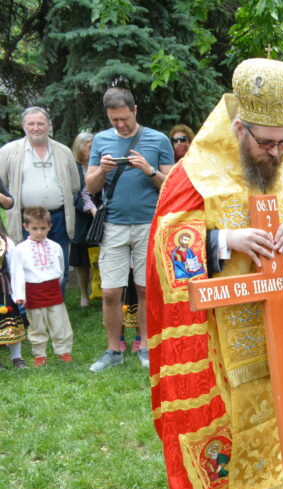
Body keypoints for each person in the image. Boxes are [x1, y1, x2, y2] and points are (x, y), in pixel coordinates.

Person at [146, 57, 283, 489]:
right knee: (223, 405)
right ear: (238, 126)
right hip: (216, 329)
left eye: (280, 142)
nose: (273, 152)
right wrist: (226, 241)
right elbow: (167, 243)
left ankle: (273, 480)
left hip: (274, 319)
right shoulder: (195, 172)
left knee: (272, 397)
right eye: (264, 142)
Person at [85, 87, 174, 372]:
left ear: (135, 110)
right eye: (114, 120)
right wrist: (102, 170)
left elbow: (171, 187)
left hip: (149, 223)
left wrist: (148, 169)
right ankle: (114, 350)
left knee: (145, 288)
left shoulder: (157, 139)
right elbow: (90, 187)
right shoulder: (101, 140)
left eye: (124, 118)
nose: (121, 125)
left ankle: (146, 346)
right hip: (113, 224)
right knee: (111, 292)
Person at [0, 107, 80, 283]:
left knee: (60, 268)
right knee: (25, 268)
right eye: (31, 123)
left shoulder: (63, 151)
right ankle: (28, 310)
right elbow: (2, 186)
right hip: (25, 220)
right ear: (23, 126)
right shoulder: (9, 151)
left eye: (40, 123)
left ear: (49, 125)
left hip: (58, 219)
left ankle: (57, 308)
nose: (36, 128)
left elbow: (75, 185)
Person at [12, 206, 73, 365]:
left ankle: (63, 351)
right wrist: (19, 295)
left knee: (60, 323)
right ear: (26, 227)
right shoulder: (20, 250)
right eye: (34, 228)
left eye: (43, 228)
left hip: (53, 290)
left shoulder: (55, 247)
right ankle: (39, 354)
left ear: (49, 227)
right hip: (33, 291)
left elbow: (60, 269)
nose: (39, 232)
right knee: (37, 325)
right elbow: (17, 273)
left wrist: (56, 284)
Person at [69, 132, 96, 308]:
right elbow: (70, 192)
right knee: (81, 259)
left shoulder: (100, 165)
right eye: (90, 147)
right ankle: (84, 295)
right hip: (80, 218)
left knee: (100, 255)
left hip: (99, 217)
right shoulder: (73, 168)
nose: (93, 151)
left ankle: (100, 291)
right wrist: (86, 207)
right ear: (80, 148)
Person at [1, 214, 29, 369]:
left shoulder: (6, 241)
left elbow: (15, 268)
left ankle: (17, 358)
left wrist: (18, 293)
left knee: (11, 321)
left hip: (4, 289)